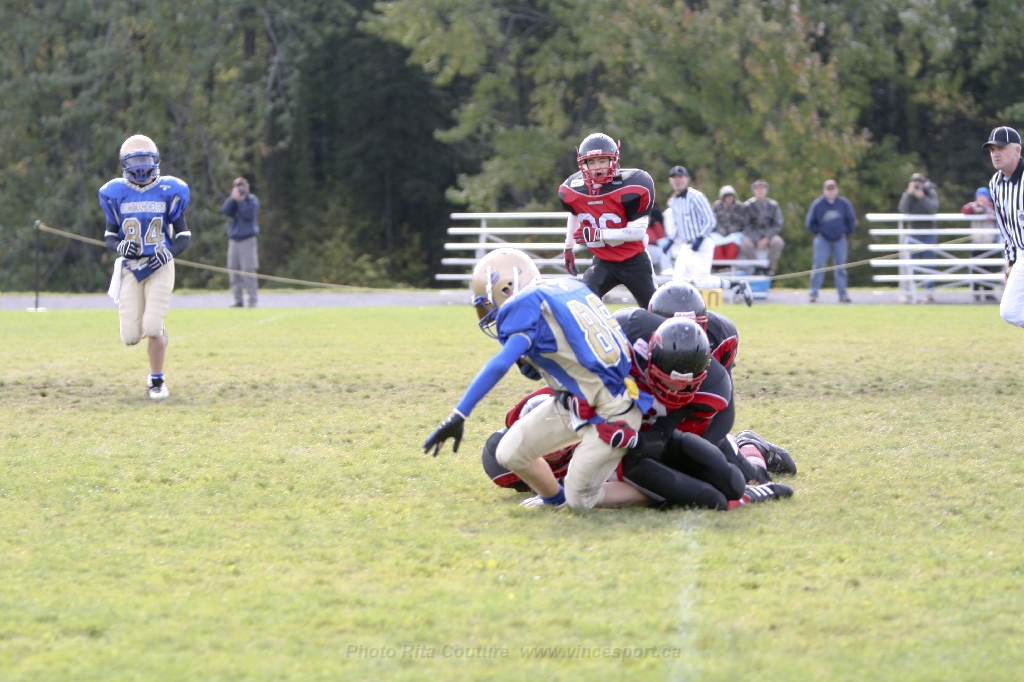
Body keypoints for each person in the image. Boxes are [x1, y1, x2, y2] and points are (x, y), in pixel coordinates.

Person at [424, 247, 642, 510]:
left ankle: (655, 496)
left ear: (507, 288)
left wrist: (458, 415)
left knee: (581, 500)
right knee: (509, 452)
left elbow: (498, 365)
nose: (488, 313)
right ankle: (554, 499)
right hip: (577, 401)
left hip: (613, 409)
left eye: (487, 303)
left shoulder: (523, 305)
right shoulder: (567, 286)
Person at [100, 135, 191, 400]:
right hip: (131, 267)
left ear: (155, 160)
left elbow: (184, 235)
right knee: (130, 336)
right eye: (135, 160)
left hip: (159, 266)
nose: (140, 166)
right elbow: (109, 235)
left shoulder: (169, 190)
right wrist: (120, 246)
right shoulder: (115, 193)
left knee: (151, 327)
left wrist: (168, 254)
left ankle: (157, 380)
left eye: (145, 159)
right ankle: (157, 330)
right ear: (125, 164)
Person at [560, 133, 659, 308]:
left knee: (655, 308)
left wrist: (599, 234)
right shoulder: (574, 189)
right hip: (603, 261)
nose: (597, 168)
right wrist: (568, 247)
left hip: (634, 260)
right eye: (591, 162)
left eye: (602, 161)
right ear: (583, 164)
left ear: (613, 161)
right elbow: (574, 211)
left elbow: (638, 233)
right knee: (582, 303)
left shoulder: (634, 184)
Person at [664, 166, 753, 305]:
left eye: (680, 177)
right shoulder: (674, 201)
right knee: (677, 281)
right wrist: (670, 240)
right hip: (686, 246)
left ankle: (737, 284)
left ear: (687, 179)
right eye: (674, 177)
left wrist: (699, 238)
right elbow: (677, 224)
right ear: (670, 180)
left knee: (703, 281)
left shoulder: (696, 196)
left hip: (702, 244)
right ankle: (681, 310)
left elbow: (710, 220)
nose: (677, 180)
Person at [984, 126, 1024, 327]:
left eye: (1001, 148)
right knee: (1010, 311)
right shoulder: (995, 184)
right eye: (992, 150)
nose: (995, 154)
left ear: (1017, 150)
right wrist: (1011, 262)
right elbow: (1005, 228)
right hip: (1022, 254)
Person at [806, 180, 856, 303]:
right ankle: (813, 293)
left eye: (832, 189)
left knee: (841, 267)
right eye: (828, 189)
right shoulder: (818, 204)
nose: (831, 191)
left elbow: (851, 220)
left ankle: (842, 294)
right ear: (824, 191)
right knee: (818, 266)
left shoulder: (844, 204)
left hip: (840, 240)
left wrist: (846, 232)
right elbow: (810, 223)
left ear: (836, 190)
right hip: (823, 239)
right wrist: (818, 231)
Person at [898, 172, 941, 302]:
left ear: (924, 183)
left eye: (920, 182)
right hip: (913, 233)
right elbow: (902, 208)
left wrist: (922, 197)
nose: (917, 185)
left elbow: (933, 209)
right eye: (915, 182)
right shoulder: (908, 195)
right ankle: (910, 293)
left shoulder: (930, 193)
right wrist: (909, 193)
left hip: (929, 232)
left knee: (930, 264)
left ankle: (929, 293)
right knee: (910, 263)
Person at [221, 177, 260, 308]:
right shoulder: (234, 200)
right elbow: (225, 211)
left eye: (242, 188)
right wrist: (233, 198)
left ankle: (252, 300)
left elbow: (248, 215)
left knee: (248, 270)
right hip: (234, 240)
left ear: (247, 188)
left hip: (247, 240)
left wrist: (242, 200)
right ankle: (238, 300)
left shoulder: (252, 200)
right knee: (233, 270)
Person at [961, 187, 1000, 301]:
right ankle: (976, 292)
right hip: (976, 242)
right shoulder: (972, 205)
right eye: (980, 196)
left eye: (984, 196)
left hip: (989, 242)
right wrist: (976, 206)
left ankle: (988, 292)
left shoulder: (992, 206)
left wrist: (987, 209)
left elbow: (998, 212)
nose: (982, 198)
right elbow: (965, 211)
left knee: (989, 269)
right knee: (976, 268)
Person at [741, 180, 785, 275]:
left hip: (769, 233)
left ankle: (768, 267)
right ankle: (757, 266)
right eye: (757, 189)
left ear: (766, 190)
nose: (760, 191)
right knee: (745, 244)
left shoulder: (773, 205)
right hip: (753, 234)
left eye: (762, 188)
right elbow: (746, 225)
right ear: (754, 191)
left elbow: (778, 224)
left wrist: (767, 238)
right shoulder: (748, 206)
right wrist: (757, 239)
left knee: (778, 242)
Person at [710, 186, 745, 261]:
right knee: (715, 244)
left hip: (734, 233)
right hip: (719, 233)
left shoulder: (739, 207)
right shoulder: (717, 206)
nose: (729, 198)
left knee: (732, 247)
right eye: (727, 196)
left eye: (731, 196)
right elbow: (714, 220)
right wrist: (721, 230)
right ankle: (719, 264)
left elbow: (741, 223)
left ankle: (729, 264)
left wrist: (731, 230)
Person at [644, 202, 673, 274]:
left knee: (666, 248)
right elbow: (650, 239)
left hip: (653, 247)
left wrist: (656, 223)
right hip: (644, 247)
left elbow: (660, 236)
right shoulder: (640, 226)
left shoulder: (653, 224)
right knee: (663, 252)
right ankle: (666, 269)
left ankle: (666, 270)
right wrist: (656, 241)